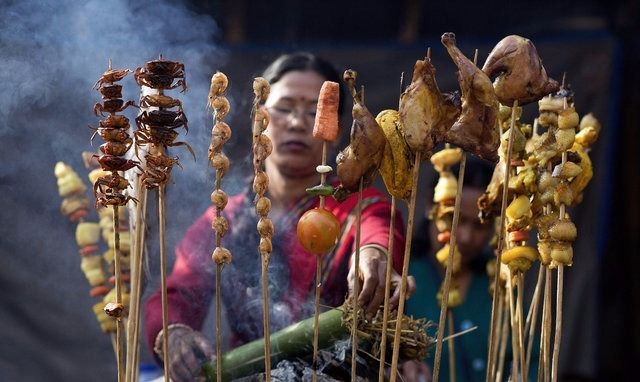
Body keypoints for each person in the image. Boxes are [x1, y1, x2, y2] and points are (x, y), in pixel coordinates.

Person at [144, 52, 415, 382]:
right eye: (285, 108)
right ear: (261, 116)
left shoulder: (358, 206)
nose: (298, 122)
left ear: (336, 129)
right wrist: (172, 333)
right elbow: (178, 292)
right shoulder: (225, 218)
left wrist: (373, 255)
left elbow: (377, 232)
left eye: (315, 111)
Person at [402, 157, 496, 382]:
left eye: (479, 225)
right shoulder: (400, 275)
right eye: (455, 219)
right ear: (429, 207)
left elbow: (529, 362)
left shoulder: (500, 284)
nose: (465, 236)